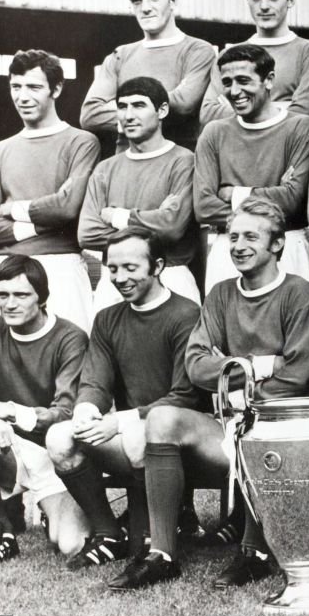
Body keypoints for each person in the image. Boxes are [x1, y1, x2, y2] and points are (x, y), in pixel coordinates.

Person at [107, 197, 309, 591]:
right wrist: (256, 365)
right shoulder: (221, 293)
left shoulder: (298, 293)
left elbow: (297, 374)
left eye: (251, 237)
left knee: (257, 433)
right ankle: (163, 554)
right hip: (227, 421)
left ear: (277, 245)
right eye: (233, 236)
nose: (238, 245)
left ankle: (254, 552)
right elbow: (197, 365)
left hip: (279, 424)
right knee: (162, 417)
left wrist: (235, 376)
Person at [45, 230, 205, 573]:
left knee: (136, 437)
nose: (120, 277)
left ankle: (161, 523)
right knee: (59, 439)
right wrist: (87, 408)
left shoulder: (186, 314)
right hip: (130, 433)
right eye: (112, 268)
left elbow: (185, 395)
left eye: (130, 267)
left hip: (177, 437)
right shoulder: (107, 318)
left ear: (158, 266)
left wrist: (121, 420)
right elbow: (95, 382)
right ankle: (108, 532)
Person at [0, 255, 90, 565]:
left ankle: (44, 509)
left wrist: (4, 412)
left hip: (51, 449)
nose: (10, 304)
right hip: (7, 447)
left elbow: (65, 411)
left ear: (42, 297)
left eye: (21, 295)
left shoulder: (70, 337)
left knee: (71, 544)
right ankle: (2, 528)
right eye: (3, 295)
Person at [0, 49, 99, 333]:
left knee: (72, 364)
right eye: (16, 87)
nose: (23, 96)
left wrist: (14, 210)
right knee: (8, 369)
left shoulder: (82, 143)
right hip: (5, 272)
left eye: (34, 87)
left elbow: (68, 208)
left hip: (62, 269)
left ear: (56, 88)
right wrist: (47, 224)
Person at [195, 43, 309, 291]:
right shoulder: (214, 132)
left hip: (285, 246)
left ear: (269, 80)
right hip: (228, 247)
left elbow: (293, 200)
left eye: (243, 80)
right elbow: (203, 207)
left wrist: (234, 193)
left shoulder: (300, 127)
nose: (234, 90)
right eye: (227, 82)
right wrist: (273, 193)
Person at [79, 77, 200, 310]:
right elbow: (87, 233)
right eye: (122, 107)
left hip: (169, 275)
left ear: (162, 110)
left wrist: (118, 217)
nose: (128, 115)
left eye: (139, 105)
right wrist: (154, 218)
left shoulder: (183, 161)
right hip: (115, 282)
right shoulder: (106, 168)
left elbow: (172, 227)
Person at [81, 0, 215, 154]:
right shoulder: (120, 55)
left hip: (177, 167)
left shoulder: (197, 50)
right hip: (126, 165)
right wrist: (151, 110)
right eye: (136, 0)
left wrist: (121, 110)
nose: (145, 8)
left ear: (173, 1)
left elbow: (184, 103)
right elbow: (90, 114)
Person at [200, 0, 309, 125]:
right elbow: (208, 113)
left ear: (291, 0)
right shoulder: (228, 56)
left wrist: (240, 106)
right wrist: (281, 106)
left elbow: (303, 113)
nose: (264, 6)